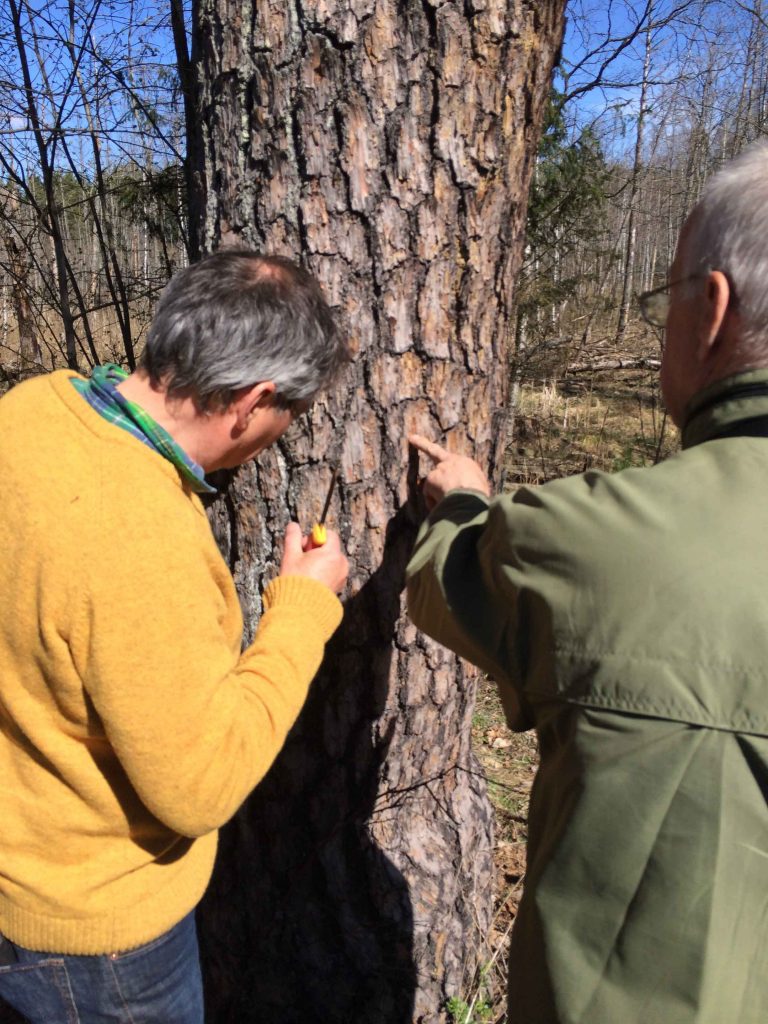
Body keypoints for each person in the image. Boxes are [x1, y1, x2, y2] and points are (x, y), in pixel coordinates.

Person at [406, 143, 768, 1022]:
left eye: (667, 295)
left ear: (711, 310)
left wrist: (461, 508)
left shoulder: (589, 541)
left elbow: (440, 580)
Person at [0, 250, 349, 1023]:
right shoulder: (140, 538)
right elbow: (199, 785)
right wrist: (302, 606)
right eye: (285, 417)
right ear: (253, 402)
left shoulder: (32, 407)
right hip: (96, 940)